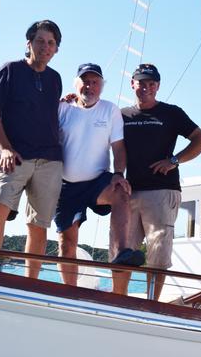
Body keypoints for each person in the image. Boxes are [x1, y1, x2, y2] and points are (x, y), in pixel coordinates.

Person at [0, 20, 63, 277]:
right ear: (29, 43)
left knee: (38, 224)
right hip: (14, 155)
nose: (45, 47)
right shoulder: (11, 70)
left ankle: (31, 281)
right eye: (40, 41)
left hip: (49, 159)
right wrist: (4, 147)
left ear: (56, 49)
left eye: (51, 43)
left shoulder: (55, 79)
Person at [121, 63, 201, 300]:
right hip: (129, 191)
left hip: (162, 191)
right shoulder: (122, 115)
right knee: (122, 251)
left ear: (157, 86)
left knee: (158, 253)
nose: (146, 88)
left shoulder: (171, 113)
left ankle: (152, 302)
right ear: (133, 84)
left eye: (151, 83)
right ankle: (119, 299)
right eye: (141, 83)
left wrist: (174, 160)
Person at [55, 63, 142, 295]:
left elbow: (119, 147)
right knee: (67, 244)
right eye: (85, 81)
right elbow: (39, 129)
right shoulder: (63, 109)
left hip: (98, 181)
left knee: (122, 192)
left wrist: (118, 174)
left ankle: (122, 251)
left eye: (95, 82)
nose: (89, 86)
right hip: (66, 185)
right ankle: (68, 294)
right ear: (77, 84)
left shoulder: (110, 110)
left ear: (101, 86)